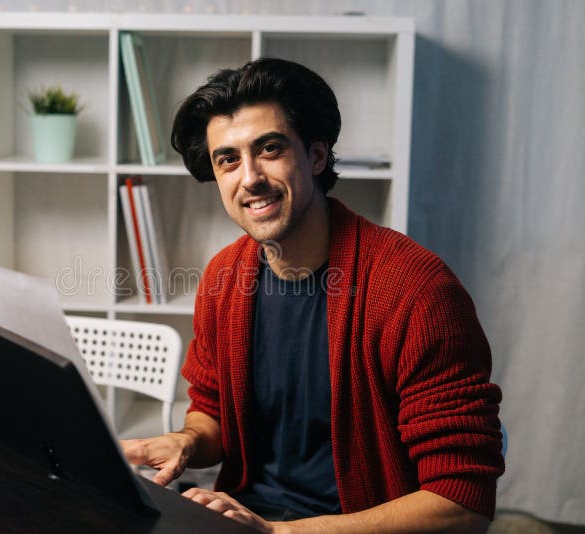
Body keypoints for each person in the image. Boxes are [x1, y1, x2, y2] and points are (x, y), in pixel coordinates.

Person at [121, 58, 504, 533]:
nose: (250, 177)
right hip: (242, 517)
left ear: (317, 156)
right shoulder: (224, 277)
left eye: (270, 148)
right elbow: (214, 411)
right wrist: (187, 440)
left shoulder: (417, 291)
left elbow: (462, 504)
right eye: (229, 159)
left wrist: (282, 532)